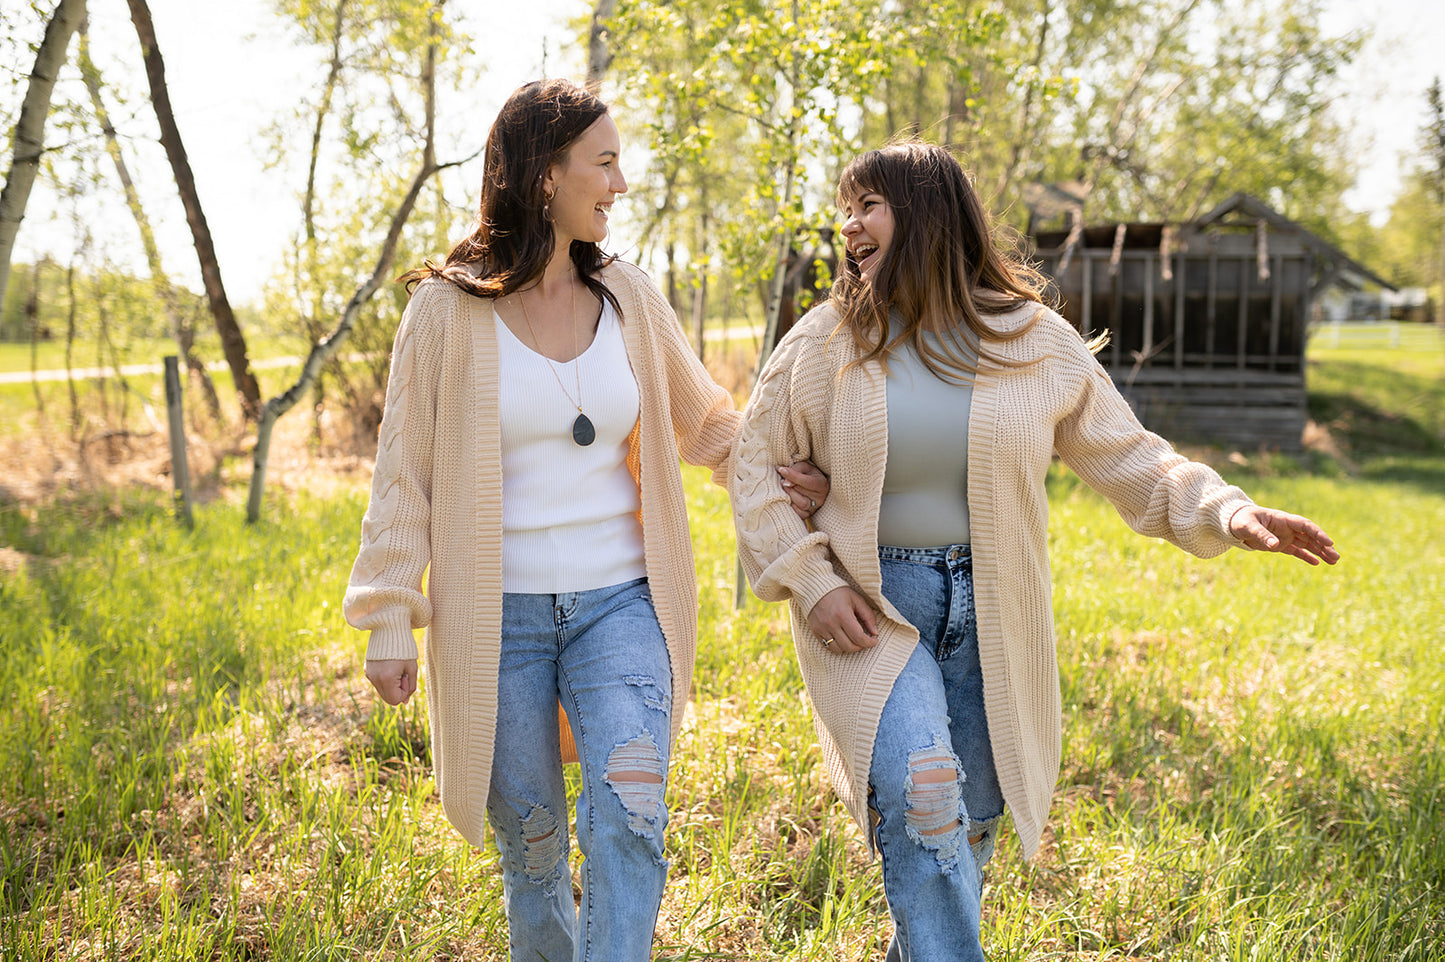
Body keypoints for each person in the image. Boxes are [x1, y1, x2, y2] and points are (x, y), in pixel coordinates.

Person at [729, 139, 1340, 961]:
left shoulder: (1032, 341)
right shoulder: (825, 342)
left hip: (995, 607)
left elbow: (1133, 458)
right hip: (874, 606)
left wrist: (1227, 512)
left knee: (966, 822)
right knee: (925, 798)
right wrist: (811, 580)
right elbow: (754, 471)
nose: (848, 227)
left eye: (867, 205)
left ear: (925, 213)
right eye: (847, 209)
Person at [342, 79, 827, 962]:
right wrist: (386, 612)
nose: (621, 183)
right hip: (497, 622)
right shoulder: (445, 313)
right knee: (531, 852)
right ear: (543, 177)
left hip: (621, 606)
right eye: (604, 162)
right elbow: (401, 473)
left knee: (633, 813)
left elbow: (707, 421)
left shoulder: (629, 298)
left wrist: (775, 470)